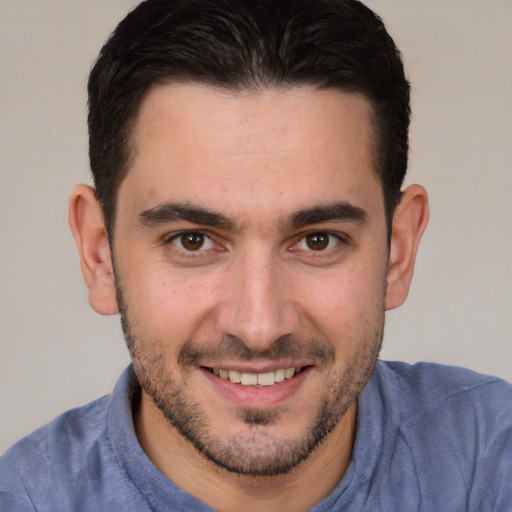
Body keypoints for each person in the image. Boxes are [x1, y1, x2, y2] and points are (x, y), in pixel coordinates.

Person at [0, 0, 510, 510]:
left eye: (318, 240)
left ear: (397, 250)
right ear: (99, 254)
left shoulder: (491, 463)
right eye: (193, 241)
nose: (259, 327)